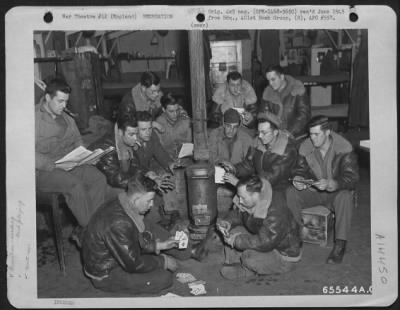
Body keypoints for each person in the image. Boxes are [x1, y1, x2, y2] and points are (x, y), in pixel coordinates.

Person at [81, 173, 192, 295]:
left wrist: (159, 246)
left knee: (178, 253)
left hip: (121, 254)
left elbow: (134, 238)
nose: (151, 205)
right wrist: (162, 261)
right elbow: (133, 263)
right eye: (149, 201)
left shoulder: (125, 201)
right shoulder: (118, 223)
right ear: (136, 199)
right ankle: (110, 284)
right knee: (164, 278)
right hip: (107, 272)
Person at [35, 77, 119, 234]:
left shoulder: (66, 118)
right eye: (60, 101)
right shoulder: (33, 119)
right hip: (44, 171)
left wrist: (85, 155)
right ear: (47, 98)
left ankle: (90, 224)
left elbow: (77, 140)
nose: (64, 105)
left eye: (66, 101)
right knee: (75, 186)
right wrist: (51, 165)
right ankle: (91, 231)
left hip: (68, 164)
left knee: (98, 178)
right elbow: (26, 153)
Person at [286, 115, 359, 264]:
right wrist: (298, 179)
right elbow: (299, 170)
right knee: (290, 192)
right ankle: (295, 237)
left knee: (345, 196)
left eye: (317, 134)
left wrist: (334, 183)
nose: (313, 139)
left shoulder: (344, 148)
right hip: (315, 191)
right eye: (310, 134)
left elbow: (352, 178)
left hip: (336, 192)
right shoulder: (306, 147)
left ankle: (340, 244)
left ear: (327, 133)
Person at [218, 176, 302, 280]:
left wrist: (236, 240)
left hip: (283, 255)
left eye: (243, 197)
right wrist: (228, 222)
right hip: (265, 240)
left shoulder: (276, 213)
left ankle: (247, 271)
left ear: (255, 195)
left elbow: (265, 242)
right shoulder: (254, 200)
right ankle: (235, 262)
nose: (239, 201)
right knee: (233, 231)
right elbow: (240, 215)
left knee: (249, 256)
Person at [220, 111, 298, 207]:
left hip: (279, 192)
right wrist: (233, 169)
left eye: (264, 133)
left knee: (244, 200)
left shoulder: (287, 151)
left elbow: (270, 179)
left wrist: (239, 183)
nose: (260, 136)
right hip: (257, 187)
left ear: (275, 132)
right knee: (238, 202)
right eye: (258, 132)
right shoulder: (258, 142)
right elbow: (248, 165)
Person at [92, 114, 174, 193]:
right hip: (100, 188)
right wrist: (149, 182)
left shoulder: (125, 141)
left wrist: (149, 174)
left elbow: (135, 165)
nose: (135, 138)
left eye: (136, 133)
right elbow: (117, 179)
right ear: (120, 132)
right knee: (138, 194)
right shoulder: (106, 148)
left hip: (114, 182)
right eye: (132, 134)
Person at [261, 65, 311, 139]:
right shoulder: (267, 93)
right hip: (275, 135)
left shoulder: (297, 89)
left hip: (296, 136)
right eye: (268, 81)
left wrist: (289, 132)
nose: (270, 83)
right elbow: (263, 114)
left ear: (282, 77)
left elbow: (304, 115)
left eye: (273, 79)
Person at [155, 93, 192, 160]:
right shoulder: (158, 124)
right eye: (171, 111)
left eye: (177, 110)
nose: (175, 114)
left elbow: (189, 142)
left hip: (185, 158)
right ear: (163, 109)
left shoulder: (185, 120)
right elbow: (158, 149)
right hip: (166, 159)